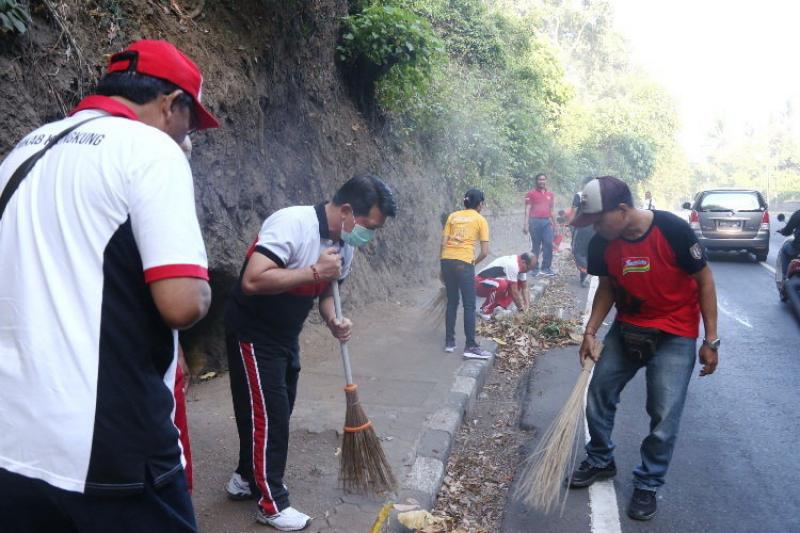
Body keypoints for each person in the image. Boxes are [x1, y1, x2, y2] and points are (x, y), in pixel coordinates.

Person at [0, 40, 217, 532]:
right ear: (169, 104)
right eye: (191, 123)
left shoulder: (24, 150)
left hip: (12, 444)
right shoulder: (150, 151)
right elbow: (182, 303)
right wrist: (203, 289)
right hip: (107, 452)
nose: (190, 139)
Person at [223, 175, 396, 531]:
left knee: (274, 410)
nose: (369, 235)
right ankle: (271, 503)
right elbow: (253, 280)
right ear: (347, 211)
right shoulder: (293, 223)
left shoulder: (345, 243)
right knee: (269, 414)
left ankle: (245, 477)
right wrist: (314, 269)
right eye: (368, 226)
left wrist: (334, 320)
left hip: (286, 335)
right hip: (253, 331)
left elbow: (327, 294)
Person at [568, 176, 719, 522]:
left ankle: (648, 483)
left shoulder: (673, 230)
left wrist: (710, 340)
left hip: (675, 334)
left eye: (597, 220)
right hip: (628, 328)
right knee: (600, 390)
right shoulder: (601, 244)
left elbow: (704, 280)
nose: (593, 228)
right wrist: (590, 330)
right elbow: (606, 287)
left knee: (663, 411)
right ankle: (601, 459)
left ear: (622, 210)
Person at [441, 189, 492, 359]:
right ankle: (470, 345)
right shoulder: (480, 219)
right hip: (464, 262)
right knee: (469, 305)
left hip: (447, 260)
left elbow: (443, 243)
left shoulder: (453, 216)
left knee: (452, 302)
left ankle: (449, 342)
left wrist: (441, 267)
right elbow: (485, 252)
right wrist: (473, 263)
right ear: (480, 204)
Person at [475, 253, 536, 319]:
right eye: (528, 269)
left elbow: (525, 288)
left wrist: (527, 305)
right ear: (523, 262)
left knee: (517, 283)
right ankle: (484, 310)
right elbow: (514, 292)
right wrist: (521, 308)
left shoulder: (522, 267)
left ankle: (500, 306)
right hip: (478, 283)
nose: (528, 271)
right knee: (502, 284)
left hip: (489, 283)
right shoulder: (513, 265)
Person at [523, 173, 556, 276]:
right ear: (536, 181)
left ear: (546, 181)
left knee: (548, 243)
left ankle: (546, 267)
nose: (542, 181)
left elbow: (552, 210)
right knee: (535, 246)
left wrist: (555, 224)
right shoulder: (530, 193)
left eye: (543, 179)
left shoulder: (550, 194)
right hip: (534, 222)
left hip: (547, 222)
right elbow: (527, 209)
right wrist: (525, 224)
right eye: (540, 179)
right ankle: (534, 268)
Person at [568, 177, 596, 286]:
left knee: (577, 252)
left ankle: (587, 271)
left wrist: (570, 224)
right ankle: (583, 278)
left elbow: (573, 211)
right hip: (595, 228)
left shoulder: (579, 195)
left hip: (582, 228)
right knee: (589, 252)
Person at [778, 208, 800, 277]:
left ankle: (786, 277)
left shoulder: (798, 214)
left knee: (784, 249)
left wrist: (782, 231)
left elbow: (787, 231)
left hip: (797, 248)